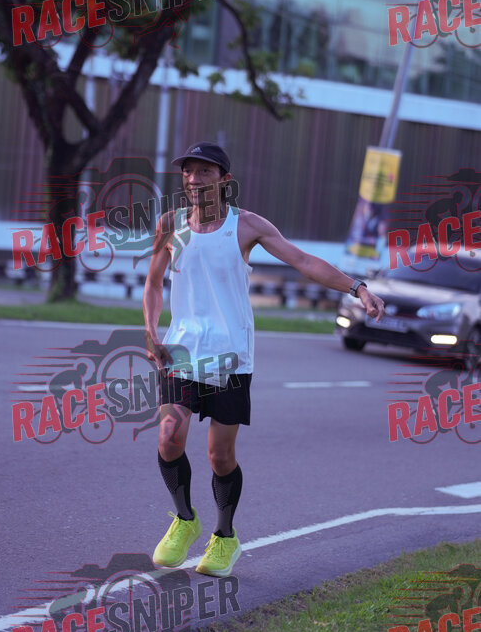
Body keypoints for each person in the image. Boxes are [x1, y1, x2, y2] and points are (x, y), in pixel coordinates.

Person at [142, 141, 385, 577]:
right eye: (188, 171)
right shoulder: (170, 225)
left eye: (205, 171)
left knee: (220, 456)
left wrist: (357, 288)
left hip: (231, 356)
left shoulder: (247, 226)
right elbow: (154, 284)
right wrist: (150, 331)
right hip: (181, 349)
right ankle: (184, 519)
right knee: (168, 438)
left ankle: (224, 536)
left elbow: (302, 260)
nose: (194, 179)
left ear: (224, 179)